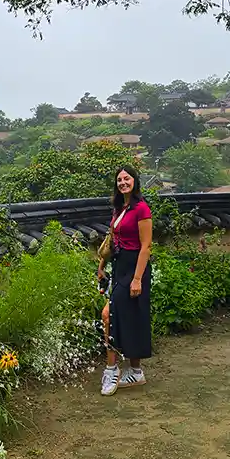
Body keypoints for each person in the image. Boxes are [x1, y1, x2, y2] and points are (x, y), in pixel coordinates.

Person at [96, 166, 153, 396]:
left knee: (109, 315)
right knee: (128, 316)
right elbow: (111, 240)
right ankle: (136, 371)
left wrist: (137, 279)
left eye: (126, 178)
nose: (123, 182)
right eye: (119, 179)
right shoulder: (119, 208)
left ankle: (111, 369)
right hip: (119, 266)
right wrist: (101, 266)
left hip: (135, 267)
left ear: (134, 181)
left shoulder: (141, 209)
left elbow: (146, 246)